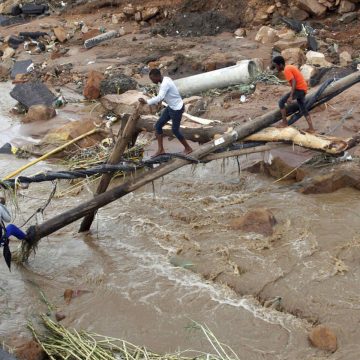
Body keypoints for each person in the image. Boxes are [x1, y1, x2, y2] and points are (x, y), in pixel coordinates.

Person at [138, 68, 193, 157]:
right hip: (171, 107)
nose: (152, 81)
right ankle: (161, 150)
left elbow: (160, 97)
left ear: (157, 76)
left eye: (152, 79)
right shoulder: (166, 79)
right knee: (158, 125)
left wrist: (147, 102)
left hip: (177, 109)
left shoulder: (165, 84)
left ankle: (188, 148)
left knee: (175, 130)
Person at [272, 56, 315, 133]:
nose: (276, 68)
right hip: (303, 88)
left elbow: (294, 81)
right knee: (303, 108)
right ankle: (311, 128)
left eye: (276, 66)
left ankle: (284, 123)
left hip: (299, 89)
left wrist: (291, 96)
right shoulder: (289, 67)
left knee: (281, 102)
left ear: (281, 65)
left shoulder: (286, 70)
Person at [0, 197, 26, 270]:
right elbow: (8, 219)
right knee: (11, 227)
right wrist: (2, 206)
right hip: (1, 240)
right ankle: (27, 238)